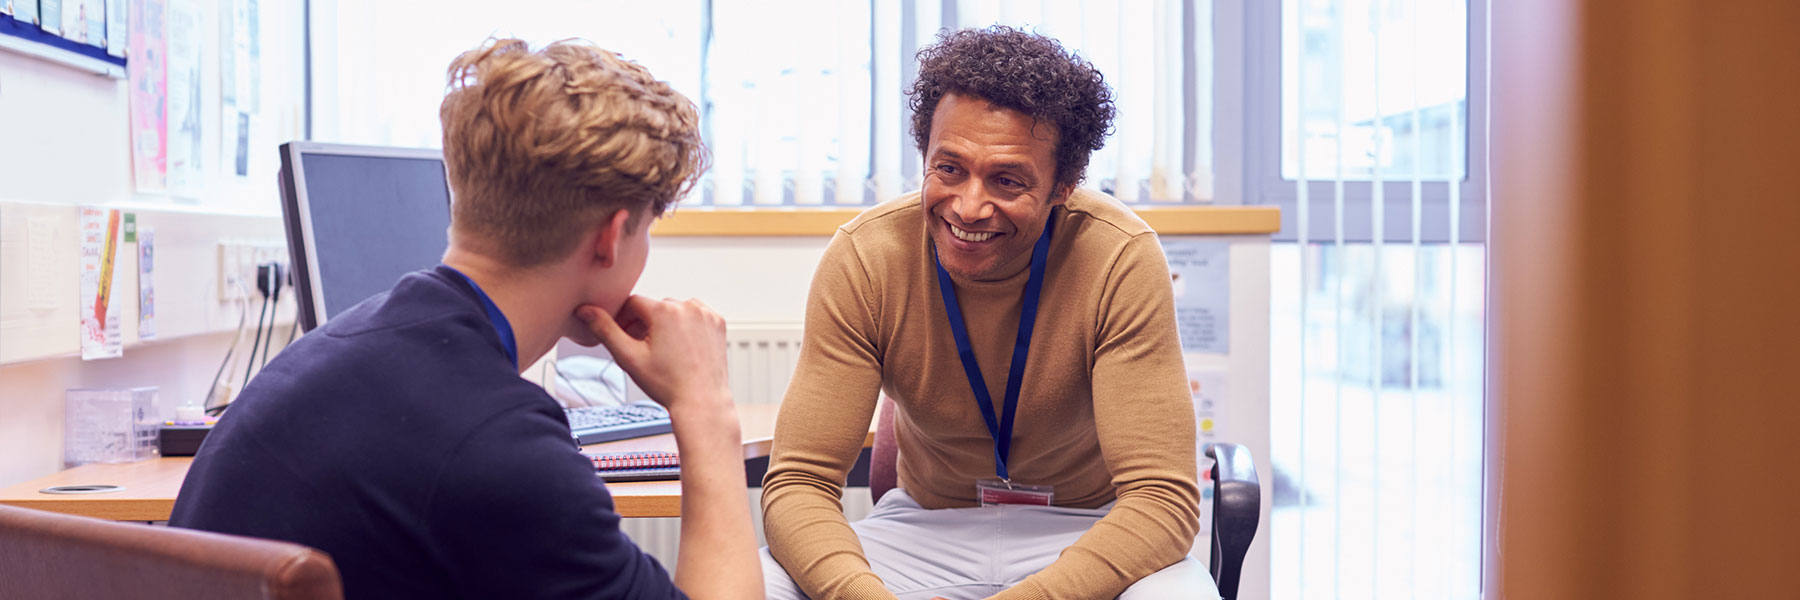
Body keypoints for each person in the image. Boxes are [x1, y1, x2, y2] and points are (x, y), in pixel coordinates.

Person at [170, 38, 761, 599]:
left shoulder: (330, 351)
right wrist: (705, 407)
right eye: (649, 226)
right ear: (610, 238)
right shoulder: (502, 448)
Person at [760, 26, 1214, 600]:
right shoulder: (866, 257)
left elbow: (1161, 499)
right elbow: (800, 481)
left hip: (1085, 528)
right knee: (749, 585)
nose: (969, 207)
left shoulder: (1119, 257)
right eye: (949, 169)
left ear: (1063, 187)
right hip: (922, 529)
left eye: (1007, 180)